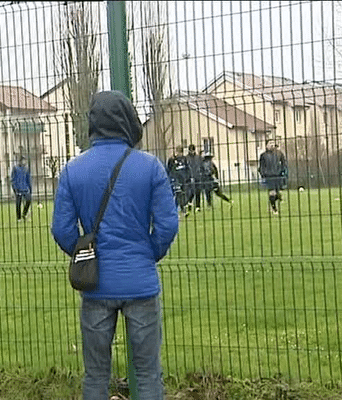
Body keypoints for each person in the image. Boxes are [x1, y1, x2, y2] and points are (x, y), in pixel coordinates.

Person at [51, 90, 179, 400]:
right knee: (148, 373)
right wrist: (148, 253)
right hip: (140, 282)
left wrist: (84, 253)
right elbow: (167, 224)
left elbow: (62, 229)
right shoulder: (150, 167)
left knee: (96, 374)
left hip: (96, 285)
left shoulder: (73, 170)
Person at [258, 139, 288, 215]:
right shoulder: (263, 155)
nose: (272, 145)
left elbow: (284, 163)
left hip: (278, 176)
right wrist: (263, 174)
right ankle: (274, 209)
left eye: (273, 143)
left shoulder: (279, 153)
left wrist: (283, 172)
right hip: (269, 177)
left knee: (278, 193)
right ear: (266, 145)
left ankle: (278, 197)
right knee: (272, 193)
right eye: (270, 143)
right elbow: (261, 167)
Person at [166, 146, 190, 216]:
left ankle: (178, 210)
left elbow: (187, 168)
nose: (179, 154)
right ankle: (182, 211)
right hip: (175, 179)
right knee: (178, 194)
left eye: (180, 153)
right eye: (178, 152)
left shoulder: (184, 159)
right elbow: (169, 169)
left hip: (183, 179)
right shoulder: (172, 159)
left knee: (182, 194)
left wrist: (188, 177)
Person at [11, 155, 32, 221]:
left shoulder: (26, 169)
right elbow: (13, 179)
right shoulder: (15, 168)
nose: (24, 162)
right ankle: (19, 218)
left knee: (28, 200)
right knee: (18, 203)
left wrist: (30, 189)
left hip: (25, 188)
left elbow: (28, 179)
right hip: (18, 189)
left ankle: (24, 214)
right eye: (23, 160)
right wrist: (14, 188)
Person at [185, 144, 203, 211]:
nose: (192, 152)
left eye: (192, 150)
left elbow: (201, 165)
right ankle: (189, 205)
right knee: (191, 193)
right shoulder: (186, 158)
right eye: (190, 150)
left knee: (198, 192)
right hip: (190, 177)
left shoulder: (198, 157)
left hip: (197, 176)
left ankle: (198, 206)